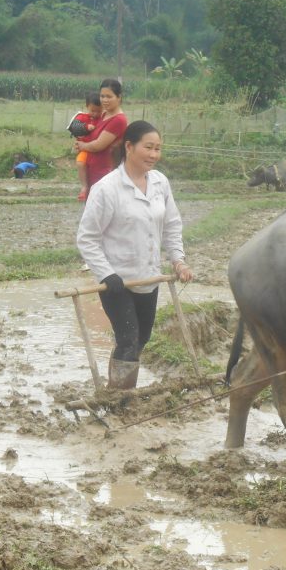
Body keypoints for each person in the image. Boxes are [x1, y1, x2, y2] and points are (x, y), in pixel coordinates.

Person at [76, 120, 193, 389]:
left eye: (158, 149)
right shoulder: (107, 188)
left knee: (141, 338)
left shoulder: (160, 183)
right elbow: (87, 238)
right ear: (129, 147)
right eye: (148, 147)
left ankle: (120, 385)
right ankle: (119, 397)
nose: (154, 154)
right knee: (128, 337)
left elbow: (172, 225)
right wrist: (107, 274)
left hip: (148, 277)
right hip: (117, 282)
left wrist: (178, 260)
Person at [74, 78, 128, 198]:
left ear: (119, 97)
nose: (104, 100)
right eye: (102, 96)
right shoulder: (103, 114)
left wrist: (83, 146)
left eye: (109, 96)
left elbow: (98, 145)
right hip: (93, 171)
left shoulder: (119, 120)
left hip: (105, 174)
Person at [69, 92, 101, 200]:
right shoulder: (81, 117)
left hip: (99, 149)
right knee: (80, 162)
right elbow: (74, 127)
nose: (95, 114)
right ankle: (84, 187)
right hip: (85, 148)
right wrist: (86, 127)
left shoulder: (103, 119)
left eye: (98, 111)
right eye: (93, 110)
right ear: (87, 106)